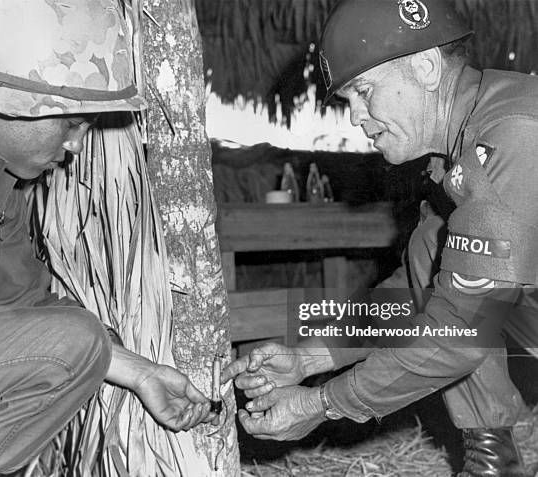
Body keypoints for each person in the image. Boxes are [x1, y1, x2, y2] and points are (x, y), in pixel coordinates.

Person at [223, 0, 538, 475]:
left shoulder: (512, 134)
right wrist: (311, 357)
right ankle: (493, 458)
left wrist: (321, 405)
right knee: (431, 250)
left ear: (426, 67)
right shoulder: (461, 151)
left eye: (364, 91)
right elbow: (422, 291)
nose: (355, 117)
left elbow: (459, 332)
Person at [0, 1, 214, 474]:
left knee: (79, 340)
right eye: (72, 123)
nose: (77, 146)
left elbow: (25, 307)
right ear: (13, 99)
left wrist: (140, 373)